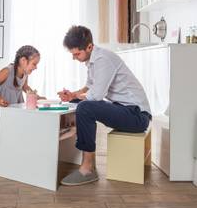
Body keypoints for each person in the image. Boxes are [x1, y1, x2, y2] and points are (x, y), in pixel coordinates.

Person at [58, 25, 151, 186]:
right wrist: (73, 95)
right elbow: (88, 87)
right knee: (78, 103)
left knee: (85, 107)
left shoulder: (103, 59)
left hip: (137, 116)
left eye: (77, 54)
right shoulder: (93, 60)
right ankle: (87, 157)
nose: (75, 58)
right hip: (125, 109)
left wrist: (80, 98)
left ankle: (87, 168)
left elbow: (95, 96)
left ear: (89, 46)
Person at [0, 45, 44, 144]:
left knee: (17, 125)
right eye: (34, 64)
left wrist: (37, 97)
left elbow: (25, 87)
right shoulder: (7, 71)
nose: (36, 67)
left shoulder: (25, 73)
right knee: (2, 126)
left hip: (13, 105)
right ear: (23, 60)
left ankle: (13, 144)